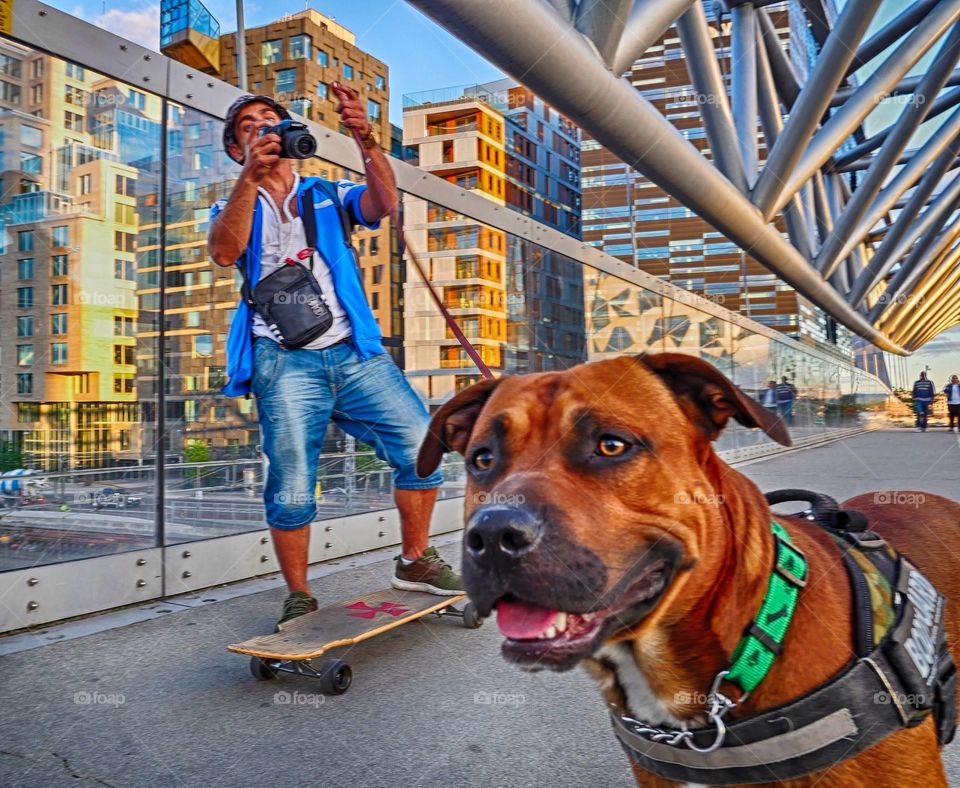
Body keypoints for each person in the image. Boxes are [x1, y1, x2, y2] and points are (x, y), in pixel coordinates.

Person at [207, 88, 461, 629]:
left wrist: (366, 139)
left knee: (423, 448)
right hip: (282, 359)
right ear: (236, 149)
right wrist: (248, 181)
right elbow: (225, 251)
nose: (264, 129)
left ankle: (414, 561)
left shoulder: (324, 192)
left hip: (353, 352)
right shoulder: (232, 200)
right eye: (249, 126)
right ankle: (299, 594)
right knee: (294, 483)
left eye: (272, 121)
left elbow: (382, 205)